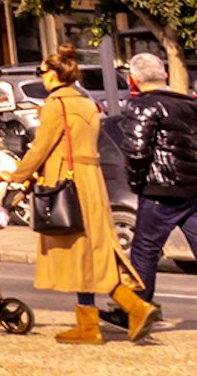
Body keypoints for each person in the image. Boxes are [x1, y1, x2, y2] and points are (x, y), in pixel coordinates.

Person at [26, 47, 156, 345]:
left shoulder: (56, 105)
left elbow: (40, 148)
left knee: (79, 252)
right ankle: (99, 321)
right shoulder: (87, 105)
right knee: (93, 252)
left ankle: (129, 310)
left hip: (66, 183)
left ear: (56, 75)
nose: (42, 78)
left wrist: (16, 175)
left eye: (43, 73)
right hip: (91, 181)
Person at [124, 50, 197, 330]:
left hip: (160, 189)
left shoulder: (144, 105)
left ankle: (138, 308)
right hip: (191, 188)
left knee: (144, 249)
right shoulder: (188, 104)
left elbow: (136, 150)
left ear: (133, 79)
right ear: (164, 74)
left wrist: (136, 182)